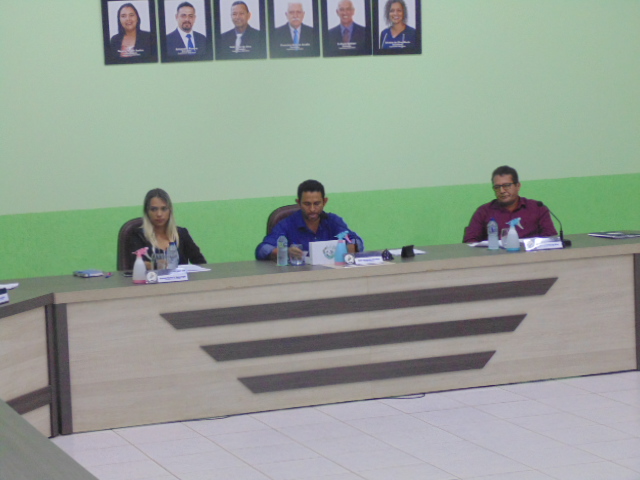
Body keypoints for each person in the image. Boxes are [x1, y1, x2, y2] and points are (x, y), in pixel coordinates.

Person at [256, 180, 364, 261]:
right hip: (297, 277)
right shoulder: (287, 224)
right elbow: (262, 249)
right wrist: (285, 252)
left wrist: (352, 246)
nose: (312, 209)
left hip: (330, 275)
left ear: (325, 202)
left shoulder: (332, 221)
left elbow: (356, 241)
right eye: (307, 204)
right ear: (299, 203)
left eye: (317, 204)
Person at [463, 166, 558, 243]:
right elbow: (470, 241)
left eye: (506, 186)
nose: (501, 191)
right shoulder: (484, 211)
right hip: (496, 258)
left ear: (518, 186)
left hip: (532, 257)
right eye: (497, 187)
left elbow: (550, 238)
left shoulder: (537, 208)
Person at [130, 188, 206, 266]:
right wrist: (156, 265)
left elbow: (200, 261)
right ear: (147, 212)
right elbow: (134, 264)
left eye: (164, 209)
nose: (159, 214)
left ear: (170, 211)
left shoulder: (181, 234)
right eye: (154, 209)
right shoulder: (138, 235)